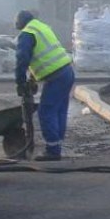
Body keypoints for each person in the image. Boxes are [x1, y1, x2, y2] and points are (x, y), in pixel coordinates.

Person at [14, 10, 75, 161]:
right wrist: (33, 79)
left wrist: (20, 81)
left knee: (46, 112)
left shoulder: (26, 34)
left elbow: (22, 60)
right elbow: (41, 54)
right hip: (67, 71)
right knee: (59, 111)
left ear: (21, 22)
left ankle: (53, 151)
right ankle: (56, 146)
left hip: (56, 77)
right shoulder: (42, 27)